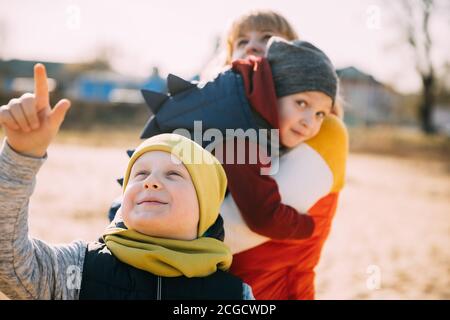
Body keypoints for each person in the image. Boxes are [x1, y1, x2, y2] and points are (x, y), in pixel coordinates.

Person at [0, 64, 253, 300]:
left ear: (206, 205)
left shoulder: (234, 295)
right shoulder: (77, 269)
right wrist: (21, 155)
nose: (150, 182)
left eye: (173, 174)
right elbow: (9, 264)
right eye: (140, 174)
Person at [136, 36, 349, 299]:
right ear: (274, 90)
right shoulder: (244, 138)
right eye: (301, 103)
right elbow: (262, 215)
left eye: (320, 114)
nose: (309, 123)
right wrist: (305, 226)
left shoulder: (238, 113)